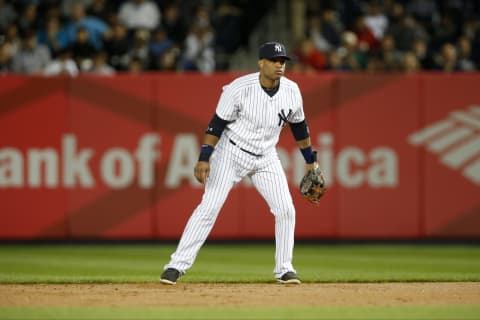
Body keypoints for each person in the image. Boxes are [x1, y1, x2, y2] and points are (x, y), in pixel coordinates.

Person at [160, 41, 319, 285]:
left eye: (283, 61)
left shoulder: (292, 90)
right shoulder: (239, 88)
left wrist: (311, 162)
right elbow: (216, 124)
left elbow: (300, 128)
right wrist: (204, 158)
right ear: (261, 63)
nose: (279, 65)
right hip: (231, 153)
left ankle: (285, 269)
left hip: (266, 157)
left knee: (286, 209)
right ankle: (176, 265)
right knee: (209, 207)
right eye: (275, 61)